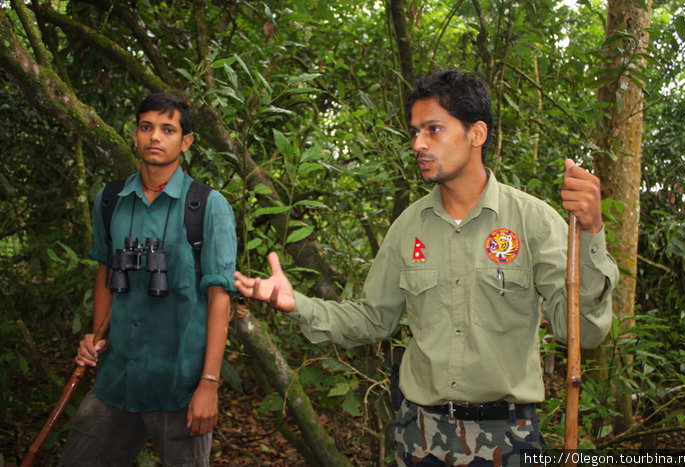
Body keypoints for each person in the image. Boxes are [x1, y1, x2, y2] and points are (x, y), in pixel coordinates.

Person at [234, 70, 619, 466]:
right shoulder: (408, 227)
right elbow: (372, 318)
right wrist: (296, 303)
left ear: (477, 134)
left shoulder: (533, 222)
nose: (418, 144)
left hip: (508, 440)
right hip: (419, 437)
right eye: (415, 131)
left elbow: (583, 333)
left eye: (434, 129)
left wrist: (590, 232)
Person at [59, 93, 238, 466]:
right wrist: (96, 338)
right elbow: (106, 271)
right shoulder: (110, 200)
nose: (155, 137)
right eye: (146, 127)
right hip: (116, 381)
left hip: (179, 386)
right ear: (135, 135)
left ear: (185, 142)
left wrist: (209, 383)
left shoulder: (207, 206)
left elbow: (220, 296)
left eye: (167, 129)